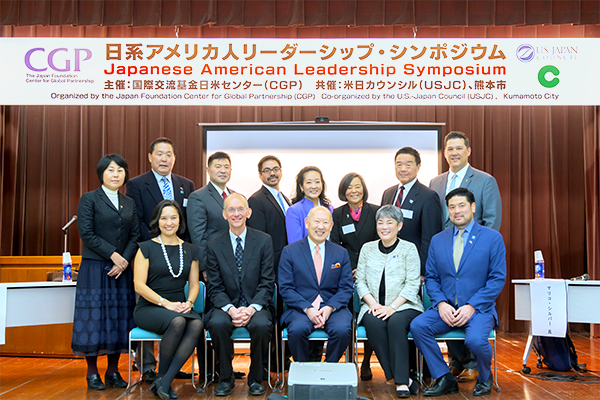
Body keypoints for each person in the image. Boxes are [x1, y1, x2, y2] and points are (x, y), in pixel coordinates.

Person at [410, 188, 506, 397]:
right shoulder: (438, 240)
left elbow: (497, 279)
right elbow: (432, 277)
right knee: (418, 326)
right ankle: (445, 377)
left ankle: (484, 376)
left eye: (461, 205)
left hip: (478, 309)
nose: (456, 211)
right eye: (452, 207)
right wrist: (441, 303)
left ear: (472, 207)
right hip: (446, 308)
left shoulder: (492, 238)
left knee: (475, 341)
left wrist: (472, 306)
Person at [429, 131, 503, 382]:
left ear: (468, 151)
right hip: (446, 255)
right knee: (449, 306)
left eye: (459, 148)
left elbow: (492, 221)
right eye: (449, 149)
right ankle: (456, 361)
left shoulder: (485, 180)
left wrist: (480, 252)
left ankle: (473, 363)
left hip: (475, 257)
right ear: (444, 152)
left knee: (471, 309)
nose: (454, 153)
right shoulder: (436, 182)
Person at [126, 137, 195, 382]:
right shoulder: (135, 184)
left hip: (177, 256)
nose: (164, 158)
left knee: (180, 317)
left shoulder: (186, 184)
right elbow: (137, 220)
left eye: (169, 154)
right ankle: (146, 366)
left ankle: (174, 366)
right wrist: (155, 245)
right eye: (160, 154)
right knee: (150, 304)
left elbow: (185, 222)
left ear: (174, 158)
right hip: (149, 253)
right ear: (150, 157)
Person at [72, 154, 139, 390]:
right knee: (94, 320)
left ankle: (113, 371)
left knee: (119, 319)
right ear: (101, 173)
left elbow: (135, 235)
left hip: (122, 270)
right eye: (111, 170)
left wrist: (124, 261)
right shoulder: (89, 199)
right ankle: (92, 373)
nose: (116, 175)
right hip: (95, 268)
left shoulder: (129, 202)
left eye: (120, 170)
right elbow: (87, 234)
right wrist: (114, 256)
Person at [206, 194, 275, 396]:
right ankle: (225, 378)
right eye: (231, 210)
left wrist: (252, 308)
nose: (236, 214)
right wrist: (232, 309)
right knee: (218, 324)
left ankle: (256, 378)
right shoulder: (213, 245)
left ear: (248, 212)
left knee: (262, 325)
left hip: (257, 304)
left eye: (240, 209)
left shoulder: (264, 241)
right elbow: (215, 287)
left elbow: (267, 281)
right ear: (224, 214)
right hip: (226, 305)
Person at [133, 200, 203, 400]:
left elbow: (195, 284)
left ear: (180, 221)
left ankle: (163, 381)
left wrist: (189, 303)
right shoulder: (145, 248)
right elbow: (139, 285)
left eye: (173, 217)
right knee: (178, 321)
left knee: (197, 324)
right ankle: (164, 380)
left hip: (180, 306)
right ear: (157, 220)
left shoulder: (191, 250)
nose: (169, 222)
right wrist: (166, 303)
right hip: (150, 307)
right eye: (164, 218)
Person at [355, 205, 423, 398]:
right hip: (373, 305)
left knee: (395, 323)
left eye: (390, 222)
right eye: (380, 222)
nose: (384, 226)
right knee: (373, 323)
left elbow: (412, 284)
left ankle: (401, 381)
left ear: (399, 226)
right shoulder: (367, 249)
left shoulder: (409, 249)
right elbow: (360, 281)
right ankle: (401, 378)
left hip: (405, 305)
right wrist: (373, 304)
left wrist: (393, 307)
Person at [279, 206, 353, 363]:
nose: (321, 226)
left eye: (326, 222)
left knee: (342, 330)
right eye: (317, 221)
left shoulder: (341, 253)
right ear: (307, 223)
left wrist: (330, 307)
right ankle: (303, 369)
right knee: (297, 330)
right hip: (301, 308)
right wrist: (308, 309)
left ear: (331, 226)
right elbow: (286, 288)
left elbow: (346, 287)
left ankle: (328, 368)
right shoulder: (290, 251)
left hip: (332, 308)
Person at [330, 172, 379, 380]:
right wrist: (350, 267)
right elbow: (333, 244)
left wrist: (364, 268)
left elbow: (381, 243)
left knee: (367, 316)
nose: (354, 191)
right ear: (343, 191)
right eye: (349, 187)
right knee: (348, 317)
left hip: (372, 273)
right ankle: (349, 361)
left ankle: (366, 360)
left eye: (357, 186)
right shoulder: (337, 214)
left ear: (364, 188)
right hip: (345, 272)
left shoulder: (375, 211)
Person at [247, 155, 291, 370]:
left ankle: (278, 360)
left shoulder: (283, 197)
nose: (272, 173)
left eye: (275, 169)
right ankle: (265, 364)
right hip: (271, 267)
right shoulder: (256, 200)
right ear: (260, 175)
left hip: (286, 266)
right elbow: (258, 240)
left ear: (281, 171)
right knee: (272, 314)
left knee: (283, 313)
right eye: (267, 170)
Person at [381, 147, 442, 276]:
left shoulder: (428, 196)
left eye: (408, 165)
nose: (403, 169)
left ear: (418, 166)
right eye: (399, 165)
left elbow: (429, 239)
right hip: (387, 266)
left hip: (412, 268)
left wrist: (422, 272)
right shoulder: (388, 193)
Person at [286, 166, 333, 244]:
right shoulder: (294, 211)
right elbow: (295, 245)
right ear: (301, 187)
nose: (314, 186)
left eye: (317, 182)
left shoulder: (329, 208)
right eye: (309, 182)